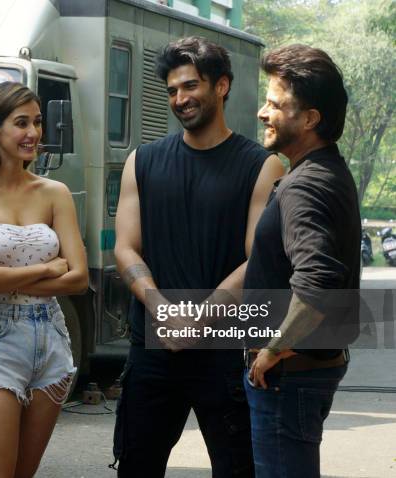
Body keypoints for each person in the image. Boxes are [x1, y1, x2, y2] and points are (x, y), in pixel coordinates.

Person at [112, 36, 284, 477]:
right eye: (172, 91)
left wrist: (199, 318)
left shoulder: (262, 166)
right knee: (136, 467)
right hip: (153, 346)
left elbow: (257, 259)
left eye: (190, 86)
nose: (180, 99)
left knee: (237, 469)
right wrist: (162, 309)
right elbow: (125, 247)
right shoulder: (142, 161)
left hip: (225, 351)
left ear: (221, 85)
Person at [0, 81, 88, 478]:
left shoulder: (55, 192)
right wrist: (48, 268)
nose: (33, 133)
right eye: (21, 123)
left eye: (38, 122)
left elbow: (78, 278)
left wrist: (1, 276)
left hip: (51, 341)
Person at [244, 44, 360, 477]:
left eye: (275, 104)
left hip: (289, 377)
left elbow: (318, 283)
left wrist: (272, 351)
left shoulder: (306, 185)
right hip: (301, 372)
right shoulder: (324, 170)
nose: (262, 112)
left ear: (310, 118)